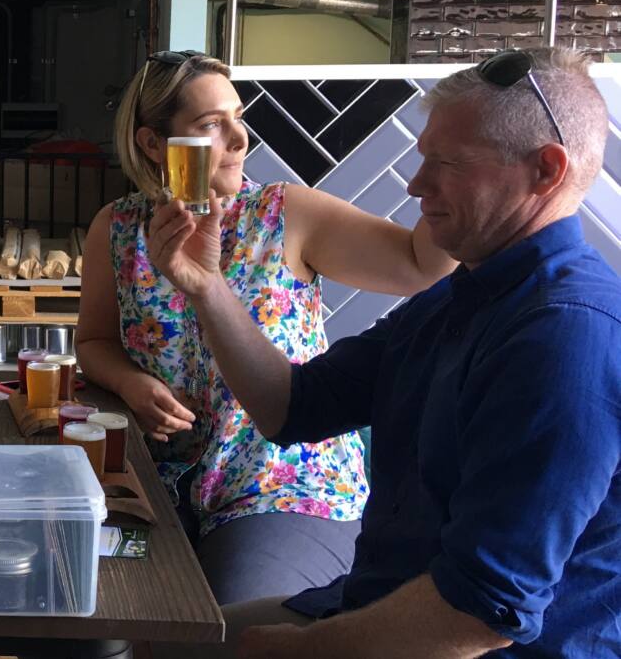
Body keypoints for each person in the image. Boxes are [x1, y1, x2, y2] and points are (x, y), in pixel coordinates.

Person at [149, 47, 621, 657]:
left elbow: (481, 614)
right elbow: (291, 406)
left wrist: (295, 651)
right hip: (373, 604)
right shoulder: (460, 298)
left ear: (546, 170)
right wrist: (207, 286)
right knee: (153, 641)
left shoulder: (566, 336)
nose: (414, 183)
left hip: (471, 644)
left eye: (445, 163)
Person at [75, 51, 458, 605]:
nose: (239, 138)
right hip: (157, 481)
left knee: (240, 624)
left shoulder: (286, 215)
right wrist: (131, 383)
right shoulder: (117, 229)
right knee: (96, 609)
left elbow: (421, 266)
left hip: (282, 483)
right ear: (153, 144)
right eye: (211, 124)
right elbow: (94, 343)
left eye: (238, 117)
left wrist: (456, 166)